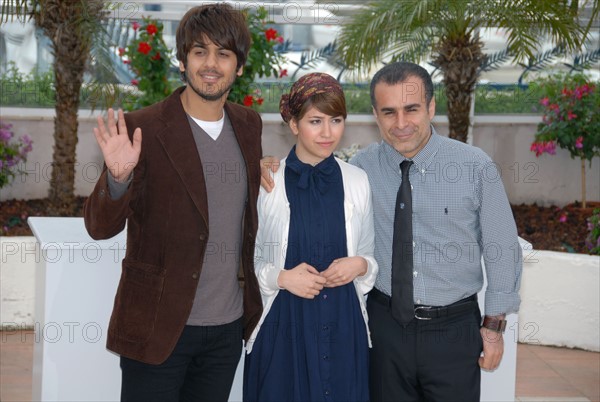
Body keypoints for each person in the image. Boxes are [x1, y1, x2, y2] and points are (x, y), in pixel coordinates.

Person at [261, 62, 522, 402]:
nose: (401, 124)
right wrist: (266, 164)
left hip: (454, 330)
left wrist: (493, 329)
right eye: (389, 112)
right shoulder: (359, 171)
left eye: (411, 109)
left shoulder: (475, 167)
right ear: (375, 115)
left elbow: (502, 247)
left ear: (430, 107)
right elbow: (309, 172)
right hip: (384, 331)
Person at [84, 4, 263, 401]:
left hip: (226, 328)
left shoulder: (249, 125)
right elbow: (99, 227)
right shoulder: (140, 128)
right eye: (199, 52)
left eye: (223, 53)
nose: (211, 64)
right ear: (182, 62)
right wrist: (117, 179)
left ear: (240, 66)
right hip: (157, 325)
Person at [244, 73, 378, 402]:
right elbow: (248, 260)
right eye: (315, 121)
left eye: (336, 120)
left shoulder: (358, 181)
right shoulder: (267, 181)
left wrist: (359, 265)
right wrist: (283, 277)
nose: (327, 132)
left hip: (344, 326)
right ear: (293, 124)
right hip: (282, 327)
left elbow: (370, 256)